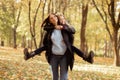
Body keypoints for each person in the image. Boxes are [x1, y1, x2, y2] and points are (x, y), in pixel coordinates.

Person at [24, 13, 94, 80]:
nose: (53, 18)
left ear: (57, 18)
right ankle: (29, 55)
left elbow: (73, 30)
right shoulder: (50, 30)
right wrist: (54, 27)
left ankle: (87, 58)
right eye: (51, 18)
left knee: (63, 78)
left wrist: (63, 27)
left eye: (54, 16)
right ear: (50, 21)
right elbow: (45, 27)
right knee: (55, 78)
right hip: (53, 57)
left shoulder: (64, 27)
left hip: (64, 56)